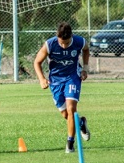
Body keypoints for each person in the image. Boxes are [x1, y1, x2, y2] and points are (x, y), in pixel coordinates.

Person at [33, 22, 91, 153]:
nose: (64, 46)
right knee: (66, 114)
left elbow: (86, 50)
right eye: (61, 43)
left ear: (71, 36)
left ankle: (70, 143)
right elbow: (37, 62)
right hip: (56, 81)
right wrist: (42, 79)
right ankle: (81, 123)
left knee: (71, 109)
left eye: (67, 42)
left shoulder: (78, 41)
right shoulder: (50, 44)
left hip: (72, 77)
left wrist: (85, 68)